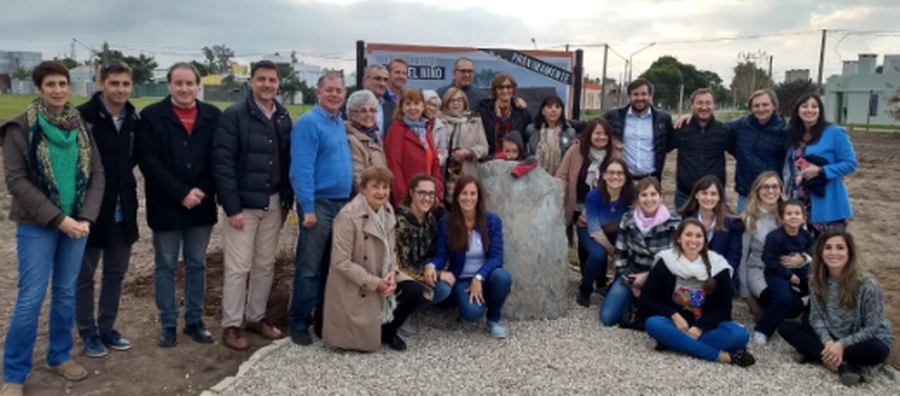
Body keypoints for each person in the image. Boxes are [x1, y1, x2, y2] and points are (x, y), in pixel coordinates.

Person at [0, 61, 105, 394]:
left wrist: (85, 217)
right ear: (38, 89)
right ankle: (14, 374)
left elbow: (97, 175)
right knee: (31, 297)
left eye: (62, 83)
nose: (58, 90)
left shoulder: (81, 127)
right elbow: (16, 181)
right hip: (38, 226)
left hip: (77, 224)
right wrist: (59, 219)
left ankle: (59, 356)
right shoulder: (20, 129)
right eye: (50, 85)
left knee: (64, 294)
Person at [137, 62, 221, 348]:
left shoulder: (212, 116)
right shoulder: (151, 116)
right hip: (166, 205)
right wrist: (181, 192)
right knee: (166, 266)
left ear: (198, 85)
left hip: (202, 204)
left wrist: (203, 190)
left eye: (190, 83)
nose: (184, 89)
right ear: (169, 85)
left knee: (197, 264)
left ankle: (194, 320)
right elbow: (149, 162)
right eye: (178, 83)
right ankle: (169, 322)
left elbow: (219, 159)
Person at [213, 60, 293, 350]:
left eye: (272, 80)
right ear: (252, 82)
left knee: (264, 265)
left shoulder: (283, 117)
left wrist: (286, 201)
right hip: (243, 205)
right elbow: (222, 164)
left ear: (278, 83)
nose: (267, 84)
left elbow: (287, 163)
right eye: (262, 79)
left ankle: (255, 317)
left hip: (273, 202)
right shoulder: (234, 116)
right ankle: (232, 325)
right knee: (238, 267)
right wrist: (231, 206)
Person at [73, 60, 139, 358]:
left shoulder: (134, 118)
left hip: (121, 211)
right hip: (89, 212)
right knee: (84, 276)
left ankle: (107, 327)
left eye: (125, 83)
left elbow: (132, 161)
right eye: (114, 83)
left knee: (115, 273)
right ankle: (87, 333)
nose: (120, 89)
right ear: (101, 83)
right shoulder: (81, 117)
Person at [322, 166, 427, 352]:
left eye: (385, 187)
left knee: (414, 291)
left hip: (381, 273)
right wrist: (375, 283)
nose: (381, 192)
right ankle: (372, 331)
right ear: (364, 189)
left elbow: (391, 250)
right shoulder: (347, 217)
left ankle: (388, 330)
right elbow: (341, 263)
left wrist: (392, 275)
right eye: (375, 187)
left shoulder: (387, 211)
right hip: (356, 282)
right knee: (364, 343)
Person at [288, 72, 354, 346]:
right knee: (310, 267)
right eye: (329, 89)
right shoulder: (308, 124)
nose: (335, 94)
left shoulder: (338, 123)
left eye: (339, 90)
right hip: (319, 204)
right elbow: (301, 170)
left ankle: (320, 318)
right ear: (318, 92)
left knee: (330, 265)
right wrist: (308, 208)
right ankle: (299, 321)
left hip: (341, 204)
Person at [779, 230, 893, 387]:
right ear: (820, 252)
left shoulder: (868, 284)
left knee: (878, 350)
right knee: (785, 327)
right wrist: (828, 342)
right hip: (831, 332)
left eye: (840, 248)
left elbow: (871, 327)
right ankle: (844, 365)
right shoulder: (816, 280)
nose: (834, 253)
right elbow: (816, 317)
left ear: (849, 252)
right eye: (828, 248)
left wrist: (840, 345)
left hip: (862, 338)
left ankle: (818, 354)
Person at [640, 219, 756, 368]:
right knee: (653, 324)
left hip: (707, 327)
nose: (693, 240)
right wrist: (673, 315)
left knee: (740, 335)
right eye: (688, 235)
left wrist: (700, 326)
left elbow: (724, 309)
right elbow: (646, 300)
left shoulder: (718, 265)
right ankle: (722, 356)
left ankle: (674, 342)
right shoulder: (666, 261)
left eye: (698, 236)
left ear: (704, 240)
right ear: (679, 238)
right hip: (677, 324)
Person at [427, 176, 512, 338]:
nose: (468, 198)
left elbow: (497, 257)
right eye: (464, 193)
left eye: (473, 194)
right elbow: (440, 255)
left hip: (486, 276)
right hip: (462, 279)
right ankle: (468, 307)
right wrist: (431, 266)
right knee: (472, 314)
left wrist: (479, 277)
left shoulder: (492, 221)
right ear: (457, 196)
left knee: (503, 277)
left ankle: (494, 319)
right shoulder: (447, 222)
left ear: (478, 197)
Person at [600, 177, 681, 326]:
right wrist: (632, 282)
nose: (649, 199)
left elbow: (675, 259)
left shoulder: (674, 222)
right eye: (644, 195)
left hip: (662, 277)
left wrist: (647, 277)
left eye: (653, 194)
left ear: (661, 197)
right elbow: (620, 254)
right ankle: (631, 300)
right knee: (608, 317)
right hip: (632, 273)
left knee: (660, 319)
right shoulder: (628, 219)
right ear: (637, 198)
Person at [783, 93, 857, 237]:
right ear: (797, 111)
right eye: (804, 106)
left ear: (820, 110)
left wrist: (822, 170)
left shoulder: (835, 132)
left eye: (814, 106)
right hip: (797, 200)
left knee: (827, 250)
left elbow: (850, 163)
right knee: (801, 249)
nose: (809, 110)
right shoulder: (793, 135)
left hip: (827, 201)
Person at [556, 118, 622, 274]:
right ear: (589, 134)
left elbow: (623, 179)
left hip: (606, 207)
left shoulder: (616, 152)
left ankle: (601, 281)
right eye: (597, 133)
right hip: (580, 204)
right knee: (585, 245)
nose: (601, 137)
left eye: (605, 134)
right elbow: (562, 174)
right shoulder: (576, 150)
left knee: (602, 242)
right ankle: (586, 276)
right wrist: (559, 189)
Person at [737, 172, 792, 332]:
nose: (770, 191)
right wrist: (745, 293)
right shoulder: (750, 218)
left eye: (774, 186)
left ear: (780, 189)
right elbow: (742, 256)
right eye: (765, 187)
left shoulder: (791, 212)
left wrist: (803, 259)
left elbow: (807, 244)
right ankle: (763, 315)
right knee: (789, 305)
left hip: (788, 271)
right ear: (757, 191)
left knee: (793, 305)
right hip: (759, 271)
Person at [753, 200, 813, 345]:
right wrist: (788, 275)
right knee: (783, 298)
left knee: (820, 286)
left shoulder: (805, 235)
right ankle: (763, 329)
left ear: (804, 218)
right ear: (781, 219)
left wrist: (804, 258)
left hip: (800, 271)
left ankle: (811, 321)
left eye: (797, 213)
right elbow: (769, 259)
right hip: (777, 272)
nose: (793, 217)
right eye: (789, 214)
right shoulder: (774, 237)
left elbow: (813, 251)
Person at [576, 158, 634, 307]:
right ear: (604, 175)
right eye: (611, 173)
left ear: (626, 176)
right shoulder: (594, 196)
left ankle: (612, 287)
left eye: (620, 173)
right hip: (587, 229)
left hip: (614, 230)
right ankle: (585, 289)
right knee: (598, 255)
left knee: (628, 253)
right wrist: (612, 251)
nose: (615, 177)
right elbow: (595, 230)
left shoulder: (630, 196)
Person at [669, 88, 735, 208]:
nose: (704, 107)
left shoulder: (724, 130)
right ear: (691, 105)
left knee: (718, 227)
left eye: (708, 103)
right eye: (699, 103)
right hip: (685, 195)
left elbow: (739, 153)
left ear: (714, 105)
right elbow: (661, 148)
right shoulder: (680, 129)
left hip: (715, 196)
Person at [395, 174, 453, 306]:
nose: (427, 199)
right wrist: (436, 275)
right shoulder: (400, 223)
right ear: (411, 193)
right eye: (421, 193)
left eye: (431, 194)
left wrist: (433, 269)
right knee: (441, 289)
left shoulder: (430, 219)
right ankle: (400, 312)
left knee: (448, 286)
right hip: (400, 276)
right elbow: (402, 267)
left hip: (421, 271)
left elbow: (434, 252)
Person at [676, 175, 742, 291]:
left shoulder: (731, 225)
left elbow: (733, 257)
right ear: (696, 195)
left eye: (713, 194)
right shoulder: (684, 220)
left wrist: (716, 277)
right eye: (704, 193)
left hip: (720, 277)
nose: (708, 198)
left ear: (719, 197)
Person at [603, 78, 674, 181]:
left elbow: (668, 143)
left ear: (650, 96)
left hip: (651, 180)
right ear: (629, 97)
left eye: (644, 94)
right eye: (635, 94)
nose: (640, 98)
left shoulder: (663, 119)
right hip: (623, 180)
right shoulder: (615, 116)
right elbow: (592, 125)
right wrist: (571, 123)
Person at [384, 87, 444, 207]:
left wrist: (436, 193)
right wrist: (403, 201)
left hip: (428, 196)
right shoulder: (396, 130)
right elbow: (394, 167)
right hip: (409, 197)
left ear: (423, 106)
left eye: (416, 103)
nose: (412, 108)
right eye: (407, 104)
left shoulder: (425, 130)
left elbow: (435, 164)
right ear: (401, 108)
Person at [441, 87, 488, 204]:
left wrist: (469, 152)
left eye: (459, 100)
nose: (456, 103)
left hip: (468, 171)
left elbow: (484, 148)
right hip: (445, 174)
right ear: (446, 102)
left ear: (465, 102)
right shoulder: (439, 121)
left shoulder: (474, 120)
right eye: (452, 100)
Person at [475, 72, 532, 156]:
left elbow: (528, 136)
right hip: (490, 159)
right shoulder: (484, 110)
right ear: (495, 90)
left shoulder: (522, 111)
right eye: (500, 87)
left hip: (515, 161)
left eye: (508, 87)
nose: (505, 91)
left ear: (513, 89)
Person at [345, 89, 387, 191]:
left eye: (372, 110)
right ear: (351, 115)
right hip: (367, 199)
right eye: (363, 111)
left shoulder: (376, 135)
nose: (369, 115)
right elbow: (358, 179)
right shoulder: (351, 140)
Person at [526, 95, 577, 175]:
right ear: (543, 111)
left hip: (559, 178)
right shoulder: (532, 130)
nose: (554, 110)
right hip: (534, 176)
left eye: (557, 107)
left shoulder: (569, 132)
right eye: (549, 107)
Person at [362, 65, 396, 134]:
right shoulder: (351, 106)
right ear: (365, 81)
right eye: (377, 79)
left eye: (385, 80)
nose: (382, 83)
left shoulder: (394, 109)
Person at [423, 89, 449, 169]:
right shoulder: (415, 124)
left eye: (435, 106)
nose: (431, 108)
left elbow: (443, 151)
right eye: (429, 104)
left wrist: (436, 160)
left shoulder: (440, 126)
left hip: (435, 168)